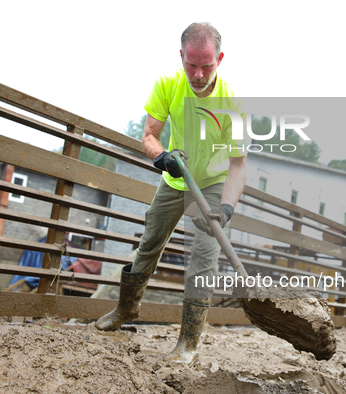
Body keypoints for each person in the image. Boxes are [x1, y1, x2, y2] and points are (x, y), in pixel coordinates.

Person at [95, 22, 248, 364]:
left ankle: (189, 343)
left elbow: (238, 164)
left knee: (203, 259)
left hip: (210, 185)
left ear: (219, 59)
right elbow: (149, 134)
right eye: (191, 64)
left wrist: (225, 209)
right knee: (149, 243)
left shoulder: (233, 104)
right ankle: (125, 310)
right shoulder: (167, 85)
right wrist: (161, 158)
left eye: (206, 66)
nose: (197, 74)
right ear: (181, 56)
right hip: (176, 176)